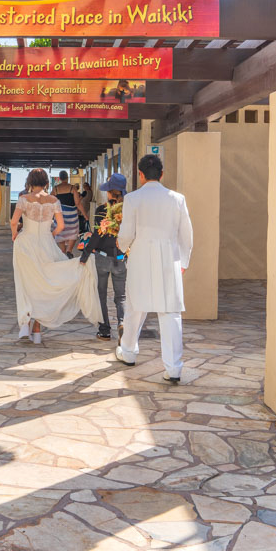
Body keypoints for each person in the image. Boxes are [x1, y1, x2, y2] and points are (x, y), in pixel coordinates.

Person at [115, 154, 193, 383]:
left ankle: (128, 352)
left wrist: (123, 246)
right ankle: (174, 368)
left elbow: (127, 233)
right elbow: (186, 235)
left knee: (134, 307)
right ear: (162, 174)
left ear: (140, 175)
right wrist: (184, 262)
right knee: (170, 313)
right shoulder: (177, 199)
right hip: (169, 259)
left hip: (140, 257)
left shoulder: (133, 199)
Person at [11, 169, 101, 344]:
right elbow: (60, 226)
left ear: (30, 182)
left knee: (25, 282)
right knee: (44, 282)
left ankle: (24, 323)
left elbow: (14, 221)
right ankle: (36, 330)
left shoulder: (23, 199)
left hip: (26, 244)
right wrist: (50, 236)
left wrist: (14, 235)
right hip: (46, 243)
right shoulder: (54, 201)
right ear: (46, 183)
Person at [79, 173, 127, 340]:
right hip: (121, 258)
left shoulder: (102, 210)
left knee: (101, 295)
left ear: (109, 192)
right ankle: (122, 324)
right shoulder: (128, 210)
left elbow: (96, 236)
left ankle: (105, 330)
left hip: (102, 258)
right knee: (121, 297)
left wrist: (85, 255)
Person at [52, 171, 87, 256]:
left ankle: (63, 251)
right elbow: (78, 203)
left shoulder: (55, 189)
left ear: (60, 178)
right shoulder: (72, 188)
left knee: (61, 232)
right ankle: (69, 251)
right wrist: (85, 215)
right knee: (73, 232)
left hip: (60, 215)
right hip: (72, 215)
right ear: (67, 177)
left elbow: (51, 202)